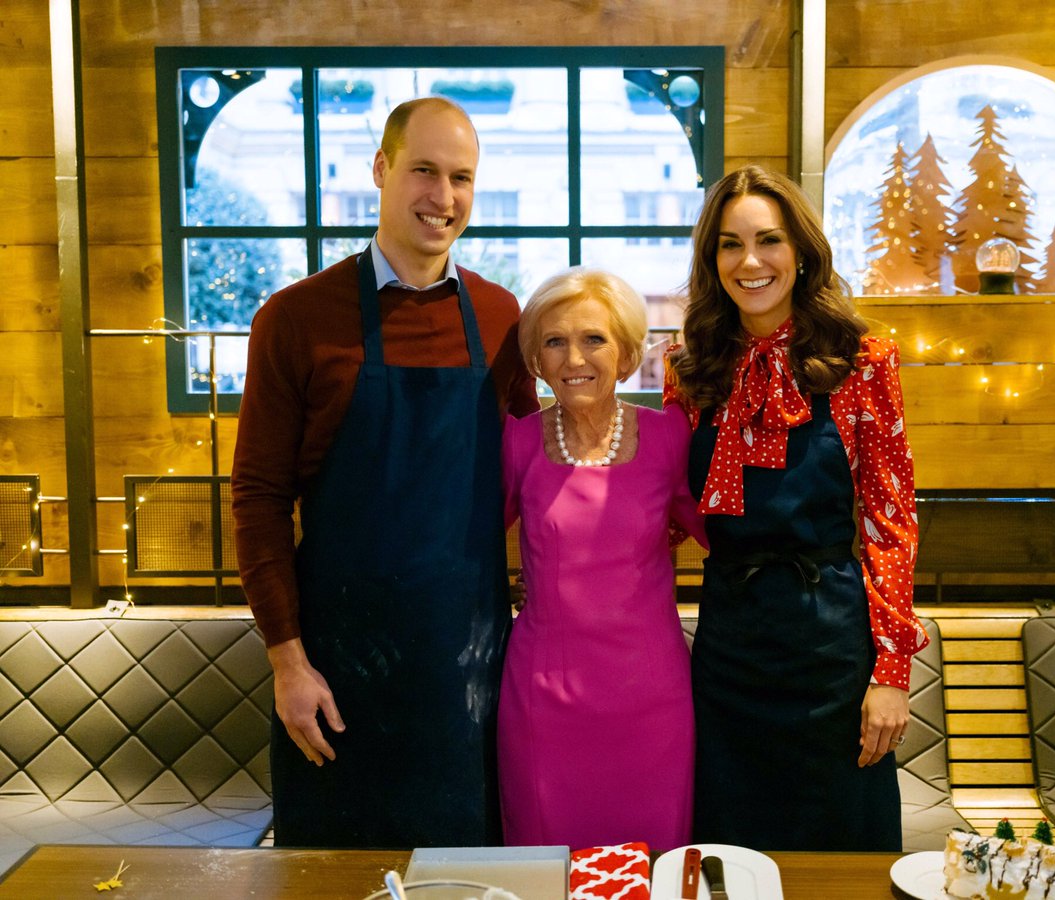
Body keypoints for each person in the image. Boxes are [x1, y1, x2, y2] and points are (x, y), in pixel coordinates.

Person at [231, 96, 539, 848]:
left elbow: (537, 474)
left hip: (467, 672)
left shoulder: (503, 319)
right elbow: (259, 499)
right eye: (424, 171)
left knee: (466, 880)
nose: (444, 197)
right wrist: (287, 663)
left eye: (461, 177)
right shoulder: (296, 318)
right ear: (381, 169)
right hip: (336, 675)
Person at [664, 165, 928, 851]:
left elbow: (889, 519)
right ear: (710, 258)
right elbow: (666, 509)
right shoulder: (690, 368)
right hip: (729, 646)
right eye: (729, 244)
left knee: (843, 846)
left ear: (802, 249)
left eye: (768, 240)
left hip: (832, 646)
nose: (749, 262)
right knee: (729, 848)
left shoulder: (863, 360)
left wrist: (891, 674)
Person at [498, 267, 706, 849]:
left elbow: (726, 537)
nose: (573, 359)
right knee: (547, 865)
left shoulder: (669, 438)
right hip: (543, 703)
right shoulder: (516, 442)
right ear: (536, 360)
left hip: (652, 701)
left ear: (627, 353)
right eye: (554, 342)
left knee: (655, 862)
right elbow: (466, 545)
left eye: (593, 339)